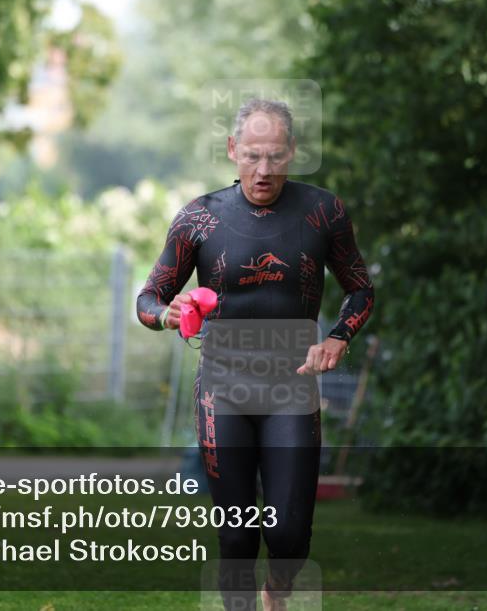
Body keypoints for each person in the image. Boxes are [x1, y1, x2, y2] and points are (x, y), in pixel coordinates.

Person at [136, 98, 374, 610]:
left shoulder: (323, 212)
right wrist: (167, 315)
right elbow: (147, 299)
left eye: (274, 156)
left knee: (289, 535)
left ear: (292, 153)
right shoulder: (199, 219)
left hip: (291, 383)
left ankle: (277, 594)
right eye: (251, 156)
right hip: (222, 385)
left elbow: (360, 289)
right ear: (231, 150)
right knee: (239, 536)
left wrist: (337, 338)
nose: (262, 170)